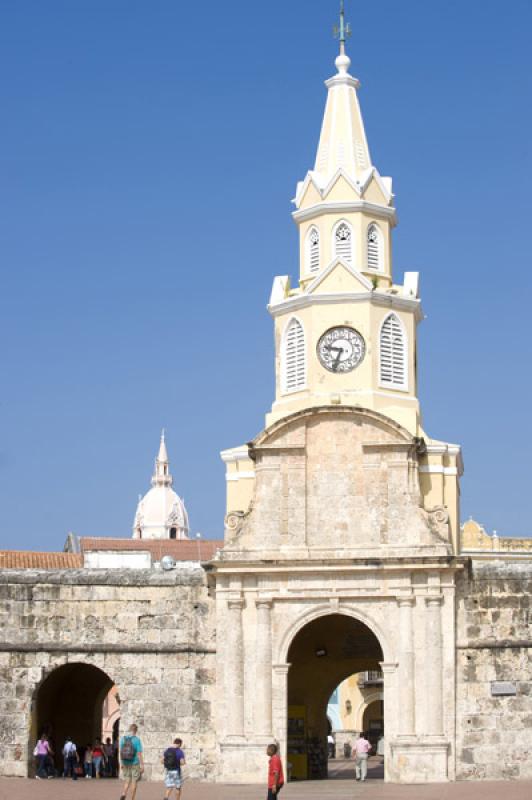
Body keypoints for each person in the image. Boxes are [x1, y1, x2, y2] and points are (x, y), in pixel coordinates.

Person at [119, 723, 144, 800]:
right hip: (134, 763)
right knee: (134, 781)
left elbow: (120, 751)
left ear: (129, 729)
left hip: (125, 763)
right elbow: (139, 753)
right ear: (136, 731)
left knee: (127, 781)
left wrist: (121, 763)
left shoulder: (123, 739)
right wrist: (142, 765)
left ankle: (124, 793)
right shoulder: (137, 740)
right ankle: (132, 798)